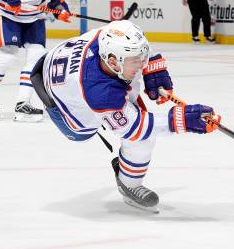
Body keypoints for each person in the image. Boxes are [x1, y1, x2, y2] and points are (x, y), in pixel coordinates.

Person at [30, 20, 219, 212]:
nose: (142, 63)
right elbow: (137, 129)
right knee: (141, 139)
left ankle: (117, 112)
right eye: (136, 60)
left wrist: (154, 66)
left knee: (130, 87)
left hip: (58, 65)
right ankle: (129, 184)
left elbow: (139, 42)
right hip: (67, 114)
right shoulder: (100, 93)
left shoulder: (111, 37)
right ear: (112, 61)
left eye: (142, 57)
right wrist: (181, 120)